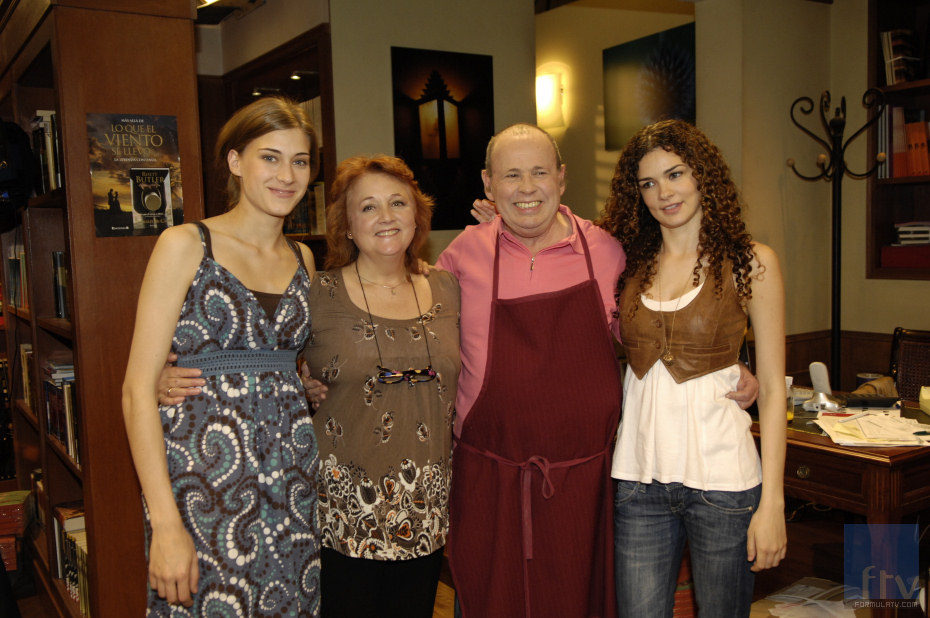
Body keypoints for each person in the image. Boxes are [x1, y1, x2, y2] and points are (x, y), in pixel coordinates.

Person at [121, 96, 321, 616]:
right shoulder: (186, 243)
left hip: (293, 480)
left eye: (299, 161)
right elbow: (137, 391)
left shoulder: (304, 258)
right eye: (269, 157)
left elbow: (287, 361)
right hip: (204, 481)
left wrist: (304, 380)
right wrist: (164, 524)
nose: (287, 175)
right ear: (236, 162)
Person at [599, 119, 786, 617]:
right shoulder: (625, 264)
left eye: (676, 174)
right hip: (638, 484)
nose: (664, 192)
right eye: (648, 183)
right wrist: (498, 218)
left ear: (702, 174)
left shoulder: (753, 262)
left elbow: (770, 389)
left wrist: (773, 504)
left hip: (724, 483)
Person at [305, 155, 460, 617]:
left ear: (418, 215)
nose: (386, 216)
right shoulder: (317, 292)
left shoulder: (449, 288)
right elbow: (264, 359)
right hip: (345, 509)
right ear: (347, 225)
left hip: (425, 504)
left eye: (398, 203)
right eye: (368, 207)